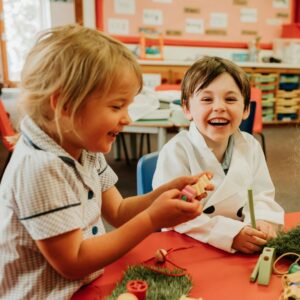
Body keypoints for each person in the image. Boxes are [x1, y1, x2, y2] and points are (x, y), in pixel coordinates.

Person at [0, 25, 211, 299]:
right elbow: (73, 262)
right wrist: (152, 219)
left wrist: (163, 193)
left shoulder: (84, 147)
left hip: (83, 285)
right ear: (65, 105)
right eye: (116, 106)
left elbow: (119, 211)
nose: (127, 118)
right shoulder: (40, 167)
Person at [153, 56, 284, 254]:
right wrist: (230, 234)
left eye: (230, 99)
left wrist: (262, 220)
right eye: (207, 99)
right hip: (188, 245)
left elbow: (261, 194)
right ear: (187, 109)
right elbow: (177, 214)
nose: (219, 107)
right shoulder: (177, 151)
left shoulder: (250, 146)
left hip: (242, 244)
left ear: (246, 108)